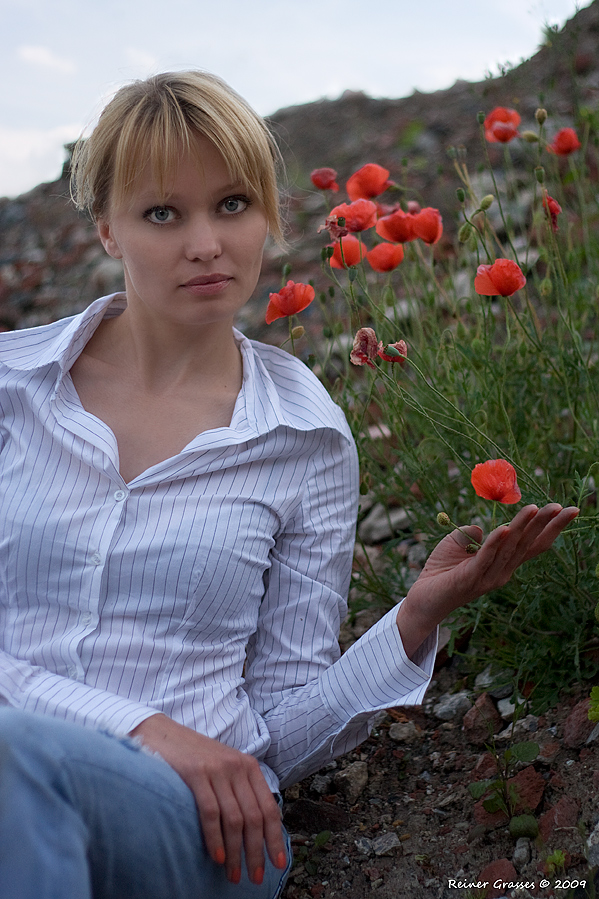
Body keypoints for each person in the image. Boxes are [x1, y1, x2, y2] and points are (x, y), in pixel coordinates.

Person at [0, 70, 578, 899]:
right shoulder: (12, 389)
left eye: (232, 204)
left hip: (200, 830)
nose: (206, 242)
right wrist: (144, 727)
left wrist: (414, 616)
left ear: (269, 214)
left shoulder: (303, 437)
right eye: (163, 213)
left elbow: (280, 726)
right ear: (105, 229)